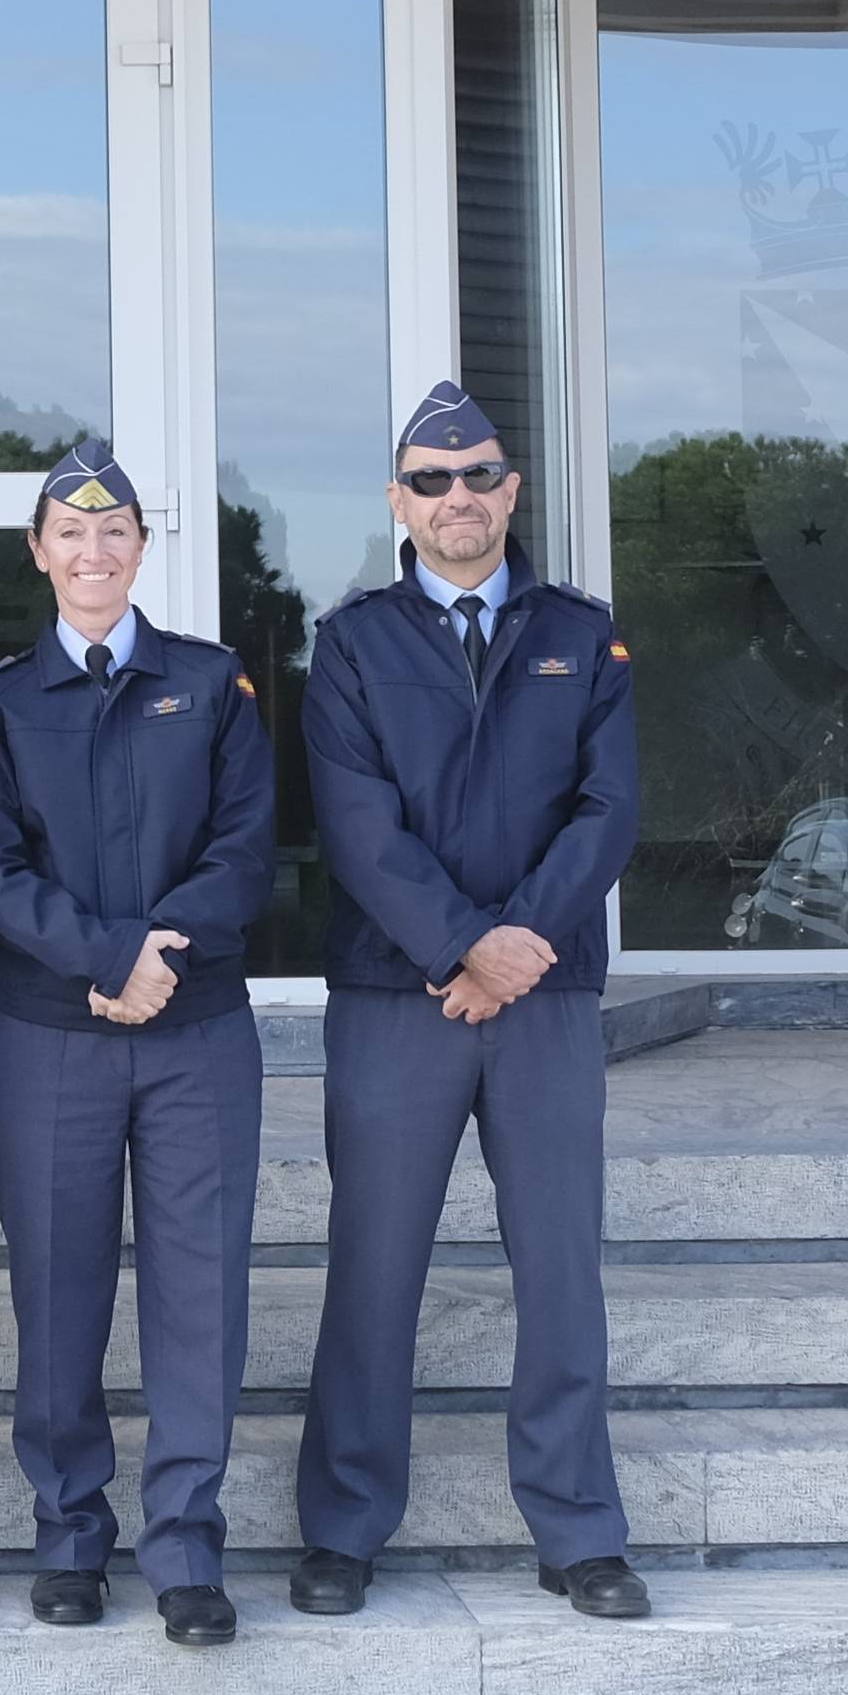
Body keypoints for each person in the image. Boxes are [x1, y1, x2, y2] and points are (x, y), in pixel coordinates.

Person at [288, 380, 649, 1624]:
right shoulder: (352, 643)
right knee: (372, 1269)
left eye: (479, 473)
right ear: (399, 501)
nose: (459, 497)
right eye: (432, 480)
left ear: (511, 488)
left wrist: (519, 943)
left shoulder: (581, 632)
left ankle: (578, 1527)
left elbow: (608, 808)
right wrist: (458, 943)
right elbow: (356, 825)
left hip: (542, 995)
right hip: (400, 995)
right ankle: (341, 1524)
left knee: (560, 1268)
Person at [0, 440, 274, 1649]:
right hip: (51, 1038)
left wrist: (163, 952)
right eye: (69, 533)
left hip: (196, 1033)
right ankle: (69, 1534)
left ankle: (185, 1544)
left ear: (144, 545)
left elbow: (245, 847)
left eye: (116, 531)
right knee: (58, 1293)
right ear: (37, 551)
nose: (93, 551)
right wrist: (105, 956)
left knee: (200, 1292)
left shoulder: (214, 681)